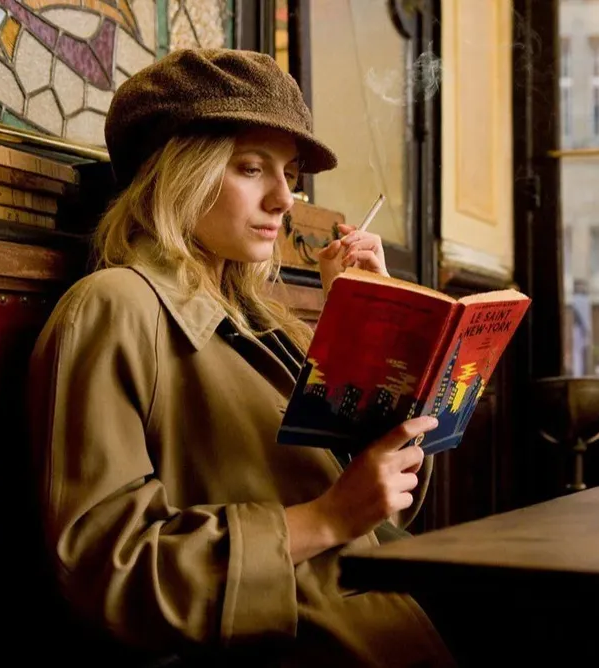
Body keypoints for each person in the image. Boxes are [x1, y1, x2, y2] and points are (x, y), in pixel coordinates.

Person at [26, 49, 456, 668]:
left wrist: (370, 326)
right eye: (252, 168)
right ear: (179, 173)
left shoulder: (266, 320)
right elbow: (107, 571)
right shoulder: (113, 307)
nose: (284, 199)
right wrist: (327, 519)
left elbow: (383, 500)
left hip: (383, 621)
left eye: (290, 174)